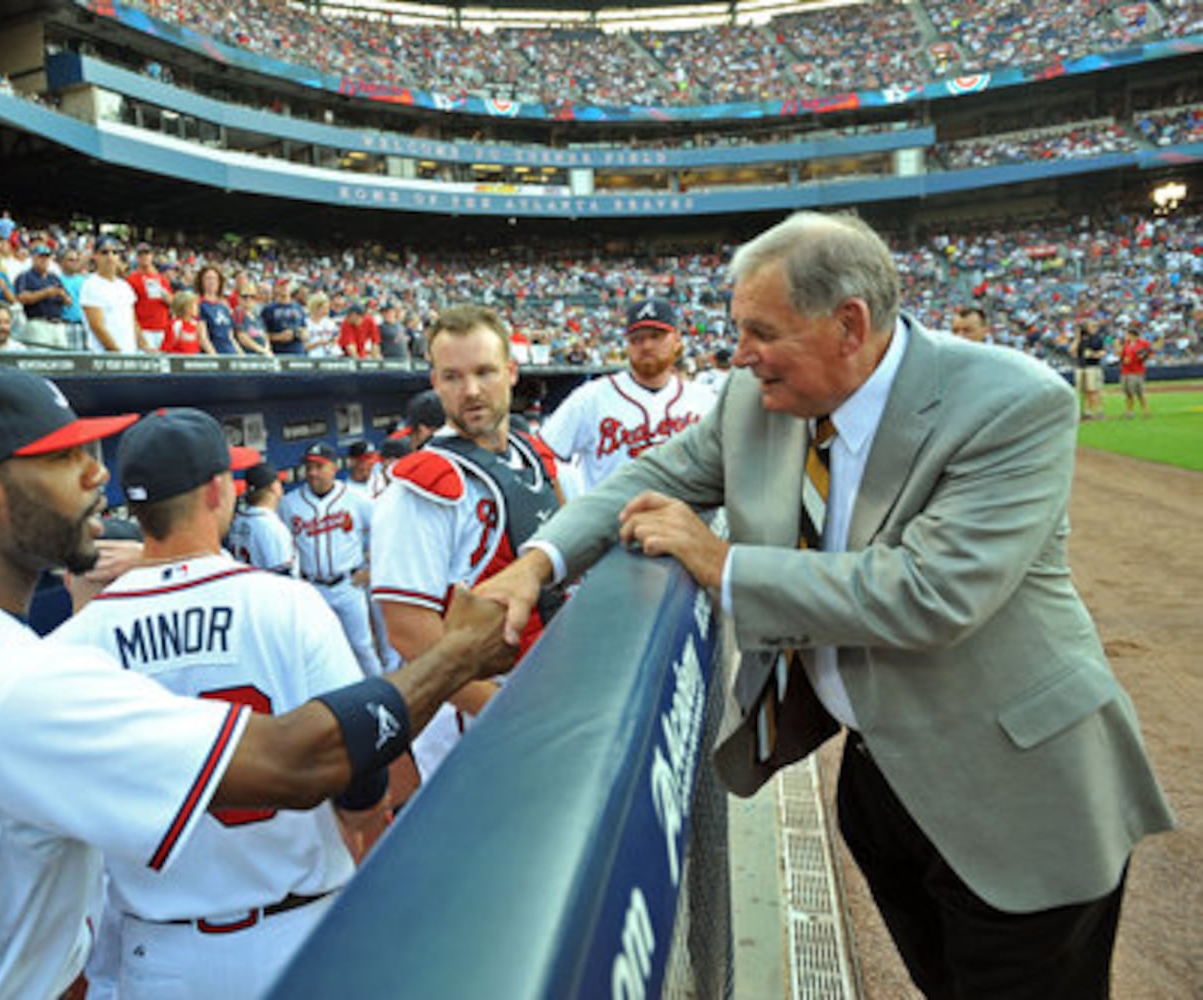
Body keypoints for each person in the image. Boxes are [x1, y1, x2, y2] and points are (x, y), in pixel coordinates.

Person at [481, 211, 1175, 1000]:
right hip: (885, 781)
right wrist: (539, 561)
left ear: (849, 325)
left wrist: (721, 563)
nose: (738, 355)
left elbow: (930, 593)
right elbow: (660, 473)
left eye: (760, 331)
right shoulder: (758, 397)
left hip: (1019, 792)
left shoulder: (1011, 403)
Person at [0, 366, 513, 999]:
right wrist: (461, 652)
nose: (97, 474)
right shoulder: (10, 684)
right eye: (60, 460)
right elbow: (299, 761)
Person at [50, 409, 382, 998]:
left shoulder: (77, 640)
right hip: (297, 924)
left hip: (162, 952)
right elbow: (361, 776)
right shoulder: (289, 605)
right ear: (216, 490)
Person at [372, 304, 564, 785]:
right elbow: (408, 633)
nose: (472, 391)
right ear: (435, 382)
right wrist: (504, 710)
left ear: (512, 372)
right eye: (453, 377)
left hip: (552, 687)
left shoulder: (533, 453)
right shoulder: (422, 487)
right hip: (479, 719)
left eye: (484, 372)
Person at [539, 297, 718, 496]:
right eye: (637, 338)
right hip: (609, 524)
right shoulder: (591, 398)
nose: (646, 345)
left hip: (684, 521)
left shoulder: (704, 401)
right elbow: (542, 454)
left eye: (656, 336)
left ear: (677, 340)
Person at [277, 442, 381, 678]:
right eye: (309, 467)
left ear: (334, 468)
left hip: (348, 585)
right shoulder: (289, 504)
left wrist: (371, 569)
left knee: (362, 648)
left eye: (319, 466)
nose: (312, 472)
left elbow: (385, 533)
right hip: (312, 587)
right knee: (317, 653)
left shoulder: (356, 499)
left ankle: (381, 699)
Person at [227, 460, 296, 574]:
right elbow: (281, 576)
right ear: (273, 487)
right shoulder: (271, 527)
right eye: (279, 482)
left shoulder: (238, 521)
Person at [80, 235, 141, 353]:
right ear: (95, 256)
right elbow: (97, 326)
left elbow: (133, 322)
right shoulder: (91, 285)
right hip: (104, 357)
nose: (110, 256)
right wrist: (117, 352)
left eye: (115, 252)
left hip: (129, 353)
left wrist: (145, 346)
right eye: (104, 252)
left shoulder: (124, 286)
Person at [15, 243, 73, 349]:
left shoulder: (54, 277)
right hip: (38, 322)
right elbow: (22, 298)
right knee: (40, 358)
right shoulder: (25, 276)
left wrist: (63, 295)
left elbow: (69, 301)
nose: (44, 260)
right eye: (40, 257)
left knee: (63, 358)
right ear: (33, 258)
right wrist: (45, 293)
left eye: (46, 257)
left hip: (58, 324)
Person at [127, 243, 172, 352]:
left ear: (151, 256)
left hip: (162, 327)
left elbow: (172, 302)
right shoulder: (132, 279)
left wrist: (167, 297)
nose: (144, 257)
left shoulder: (161, 279)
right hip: (144, 329)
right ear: (137, 258)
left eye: (147, 254)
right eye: (141, 254)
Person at [196, 265, 241, 355]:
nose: (211, 282)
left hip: (230, 351)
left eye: (214, 279)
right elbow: (203, 338)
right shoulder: (199, 304)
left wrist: (240, 354)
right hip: (214, 353)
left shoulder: (224, 306)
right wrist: (215, 357)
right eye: (208, 278)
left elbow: (230, 336)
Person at [260, 277, 307, 355]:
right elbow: (263, 334)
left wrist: (301, 334)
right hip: (279, 351)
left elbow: (304, 328)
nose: (284, 288)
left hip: (298, 351)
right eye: (281, 285)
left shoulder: (298, 307)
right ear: (276, 288)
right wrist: (279, 337)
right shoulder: (269, 309)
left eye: (287, 285)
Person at [1073, 317, 1107, 420]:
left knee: (1093, 390)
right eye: (1092, 326)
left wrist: (1092, 354)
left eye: (1095, 326)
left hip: (1093, 366)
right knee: (1085, 390)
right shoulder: (1082, 339)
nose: (1094, 328)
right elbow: (1072, 350)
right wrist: (1077, 338)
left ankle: (1099, 411)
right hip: (1081, 366)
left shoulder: (1098, 338)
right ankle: (1088, 411)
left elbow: (1102, 352)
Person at [1118, 324, 1151, 418]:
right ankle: (1129, 411)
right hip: (1126, 370)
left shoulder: (1143, 343)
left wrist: (1141, 357)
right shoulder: (1126, 344)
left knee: (1139, 392)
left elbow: (1148, 353)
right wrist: (1123, 360)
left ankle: (1145, 410)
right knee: (1128, 392)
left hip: (1136, 371)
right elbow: (1122, 357)